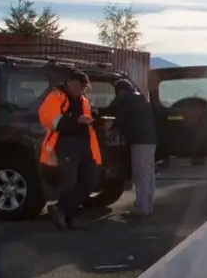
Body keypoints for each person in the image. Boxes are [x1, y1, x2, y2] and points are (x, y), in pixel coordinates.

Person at [38, 70, 101, 230]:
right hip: (65, 144)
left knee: (90, 179)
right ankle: (68, 216)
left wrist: (97, 120)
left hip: (84, 145)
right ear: (72, 83)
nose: (84, 89)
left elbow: (87, 120)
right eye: (82, 85)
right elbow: (49, 118)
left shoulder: (83, 100)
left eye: (85, 87)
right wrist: (75, 120)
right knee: (70, 180)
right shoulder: (56, 96)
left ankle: (63, 210)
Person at [106, 79, 158, 218]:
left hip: (139, 141)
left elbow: (115, 113)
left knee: (141, 174)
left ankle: (143, 208)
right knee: (148, 173)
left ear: (121, 91)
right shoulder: (140, 99)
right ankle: (146, 205)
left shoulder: (127, 99)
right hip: (150, 140)